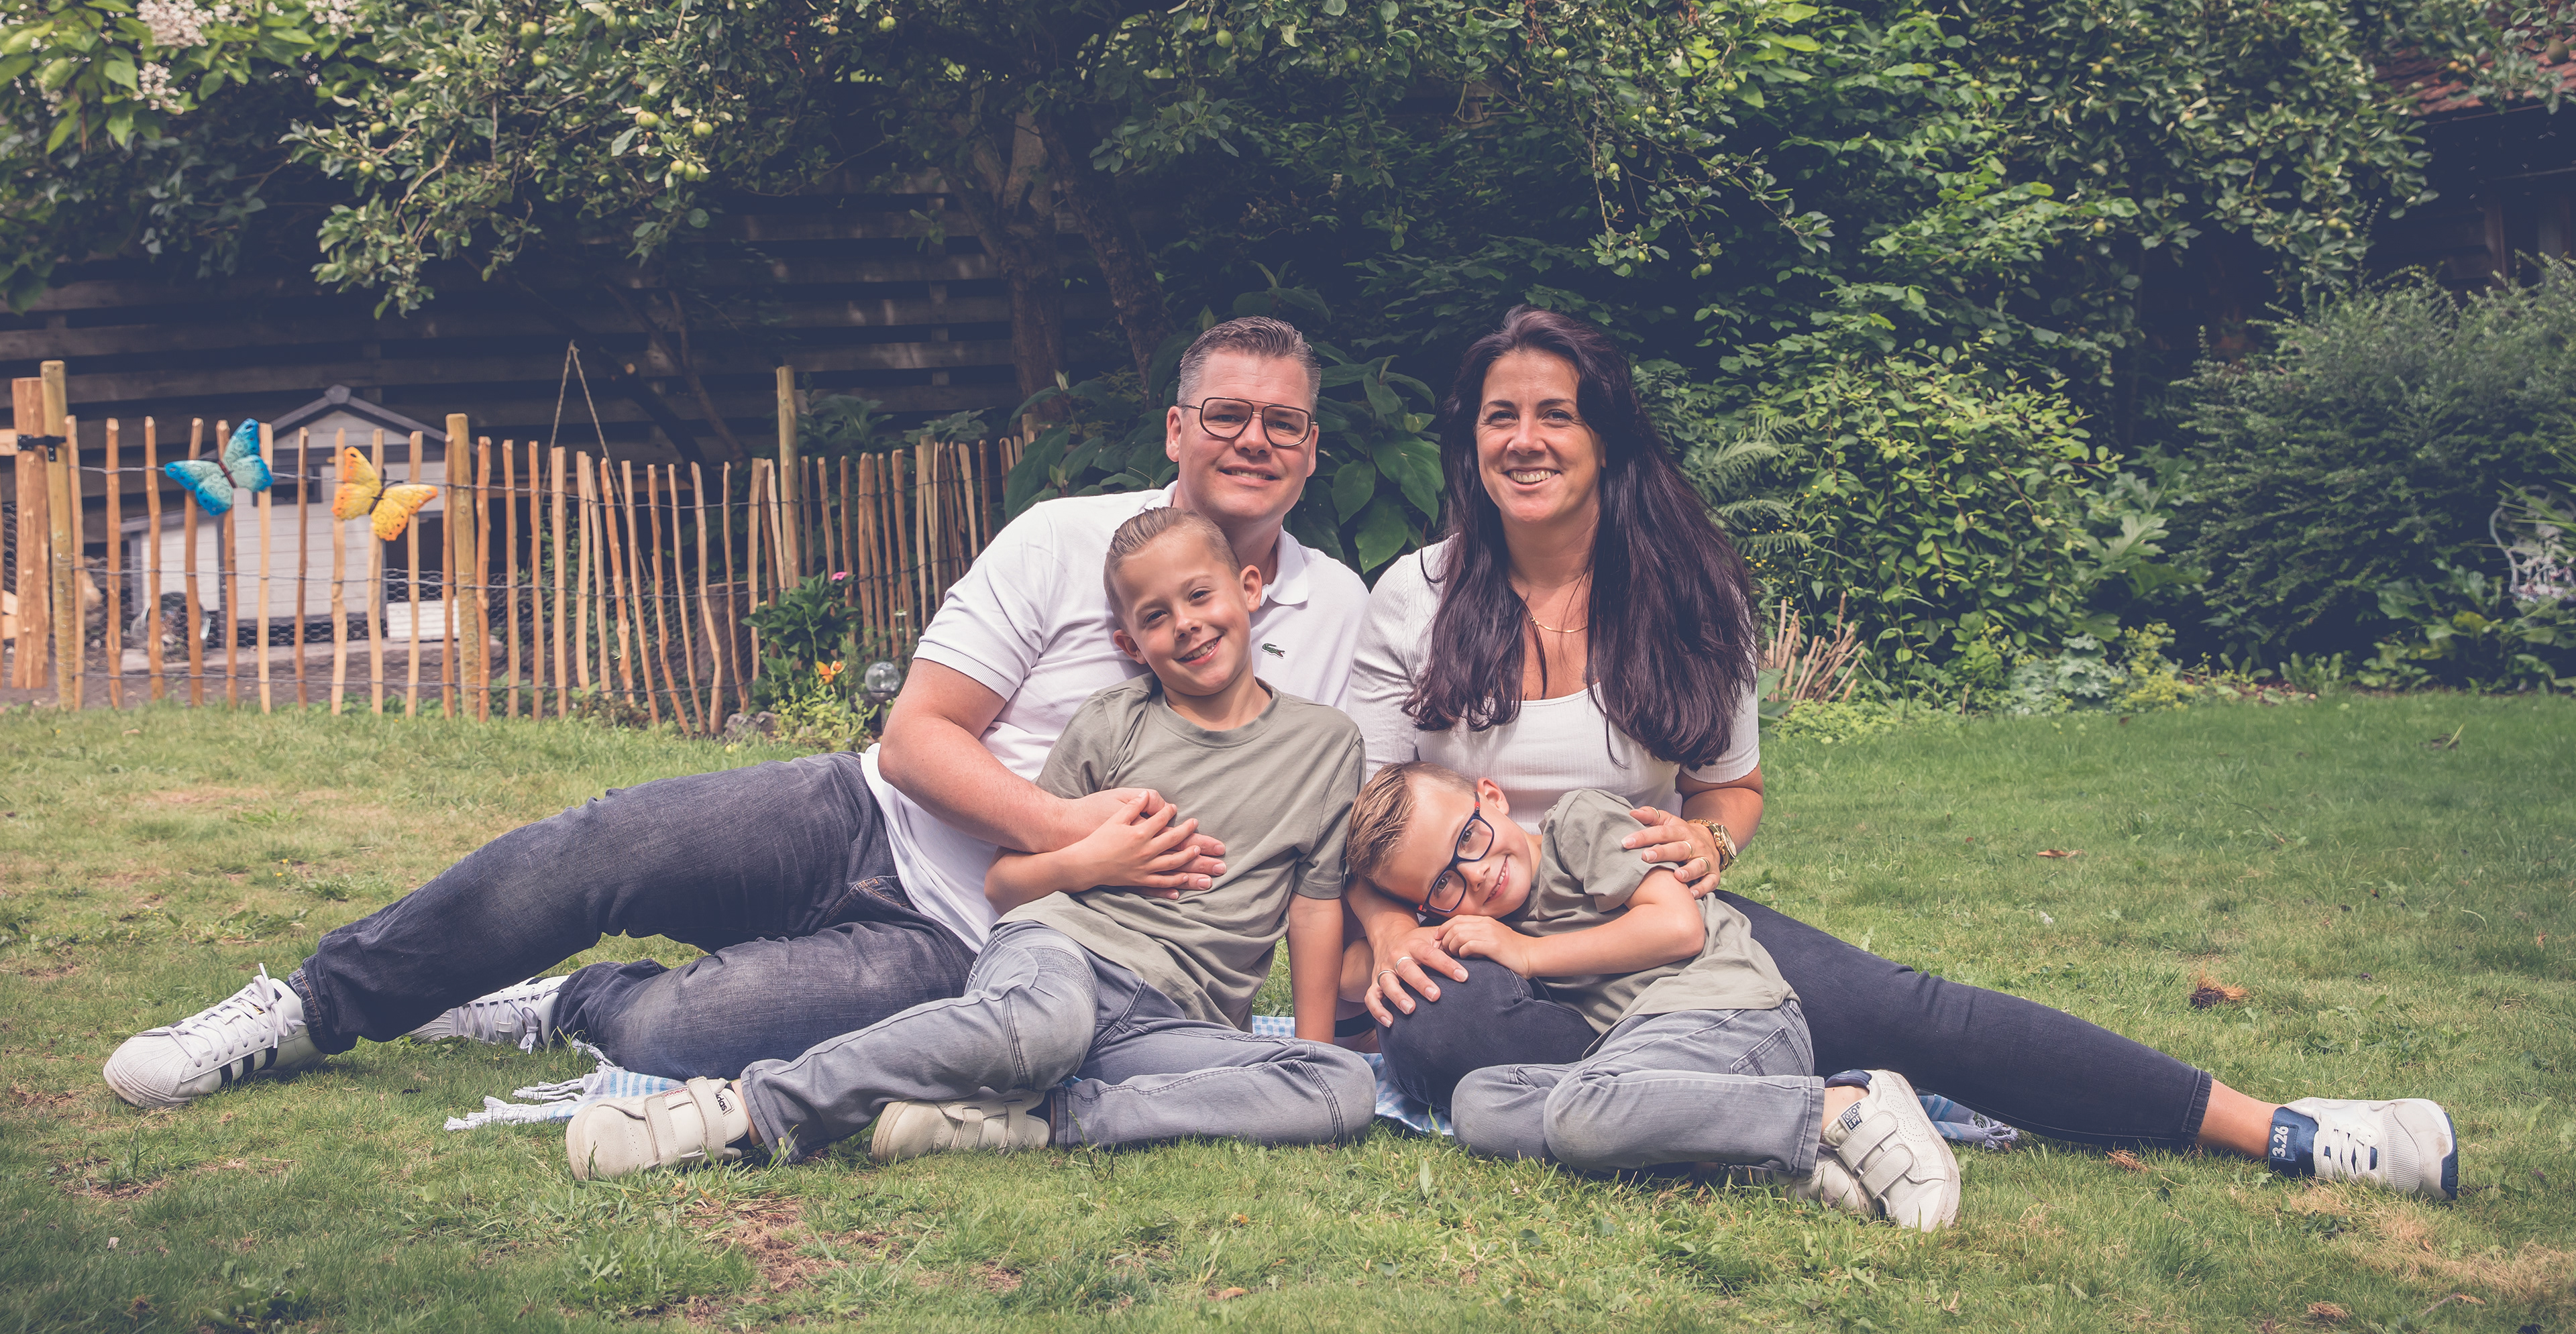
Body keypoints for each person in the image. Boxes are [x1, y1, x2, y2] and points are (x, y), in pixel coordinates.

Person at [101, 317, 1371, 1108]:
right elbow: (915, 738)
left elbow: (1336, 823)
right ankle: (311, 1006)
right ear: (1177, 427)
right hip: (862, 816)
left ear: (1313, 450)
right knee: (604, 842)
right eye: (1227, 413)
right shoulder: (1063, 538)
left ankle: (564, 1005)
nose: (1254, 438)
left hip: (983, 948)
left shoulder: (1334, 613)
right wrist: (1072, 834)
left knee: (680, 1027)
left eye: (1285, 423)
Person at [1346, 305, 2460, 1202]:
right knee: (1447, 1039)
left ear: (1606, 438)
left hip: (1656, 921)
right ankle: (1814, 1111)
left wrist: (1709, 847)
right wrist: (1394, 933)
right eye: (1499, 416)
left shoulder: (1687, 594)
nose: (1524, 440)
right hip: (1488, 954)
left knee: (1909, 1009)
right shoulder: (1417, 597)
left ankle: (2287, 1130)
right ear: (1471, 439)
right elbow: (1363, 815)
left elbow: (1732, 788)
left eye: (1555, 414)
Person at [561, 506, 1374, 1178]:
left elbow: (1314, 905)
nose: (1186, 625)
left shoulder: (1327, 744)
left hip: (1172, 1023)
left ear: (1250, 588)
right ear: (1130, 643)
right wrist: (1091, 860)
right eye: (1155, 616)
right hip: (1064, 956)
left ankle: (1040, 1121)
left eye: (1199, 595)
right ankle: (746, 1110)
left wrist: (1306, 1049)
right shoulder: (1114, 723)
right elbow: (1006, 885)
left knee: (1340, 1085)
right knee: (1046, 1027)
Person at [1347, 761, 1963, 1230]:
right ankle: (1756, 1161)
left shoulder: (1578, 824)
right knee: (1480, 1105)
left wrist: (1526, 954)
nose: (1476, 873)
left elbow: (1677, 927)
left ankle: (1844, 1105)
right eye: (1445, 883)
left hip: (1733, 1017)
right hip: (1650, 1049)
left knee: (1579, 1111)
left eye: (1469, 839)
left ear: (1492, 796)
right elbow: (1352, 965)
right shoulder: (1489, 924)